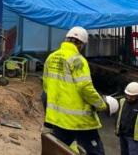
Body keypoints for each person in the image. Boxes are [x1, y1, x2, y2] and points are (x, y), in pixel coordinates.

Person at [42, 26, 118, 155]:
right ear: (81, 44)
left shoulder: (51, 57)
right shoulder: (78, 60)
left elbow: (46, 86)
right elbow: (85, 87)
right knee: (95, 152)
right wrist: (101, 105)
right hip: (79, 120)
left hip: (58, 118)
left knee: (57, 150)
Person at [116, 82, 138, 155]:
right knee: (124, 152)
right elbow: (119, 116)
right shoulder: (122, 101)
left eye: (132, 96)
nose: (129, 97)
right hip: (123, 133)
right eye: (127, 95)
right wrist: (117, 129)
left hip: (134, 137)